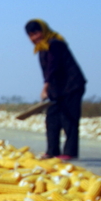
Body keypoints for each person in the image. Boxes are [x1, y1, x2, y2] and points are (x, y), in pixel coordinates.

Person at [25, 19, 86, 160]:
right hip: (57, 88)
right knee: (52, 118)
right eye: (30, 35)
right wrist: (49, 88)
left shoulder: (55, 44)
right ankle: (52, 151)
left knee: (69, 118)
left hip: (71, 85)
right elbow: (47, 72)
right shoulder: (42, 48)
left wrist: (45, 86)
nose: (34, 38)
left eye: (36, 33)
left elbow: (54, 67)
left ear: (43, 31)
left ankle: (70, 152)